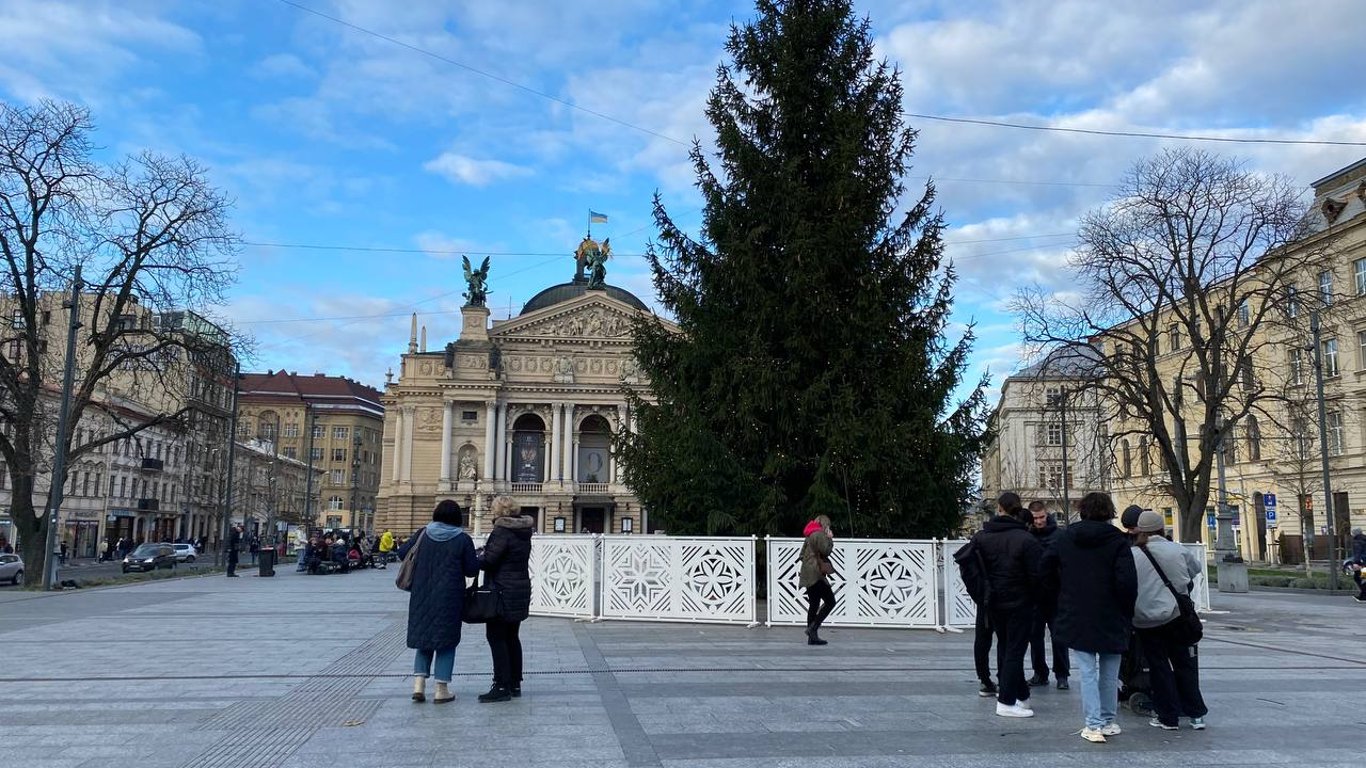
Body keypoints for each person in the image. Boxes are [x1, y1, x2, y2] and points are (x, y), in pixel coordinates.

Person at [1043, 492, 1138, 743]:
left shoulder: (1065, 538)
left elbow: (1045, 568)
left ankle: (1092, 725)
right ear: (1109, 512)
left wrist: (1060, 594)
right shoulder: (1119, 541)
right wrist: (1126, 609)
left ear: (1082, 509)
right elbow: (1127, 581)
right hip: (1111, 611)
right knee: (1109, 671)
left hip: (1077, 610)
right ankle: (1107, 720)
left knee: (1087, 671)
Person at [1132, 510, 1208, 731]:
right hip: (1177, 615)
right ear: (1161, 529)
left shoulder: (1134, 555)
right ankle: (1196, 715)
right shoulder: (1178, 550)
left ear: (1139, 530)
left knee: (1159, 667)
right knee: (1185, 664)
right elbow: (1195, 570)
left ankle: (1168, 716)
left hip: (1147, 619)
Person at [398, 499, 479, 704]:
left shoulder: (422, 533)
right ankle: (441, 689)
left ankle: (418, 684)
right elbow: (471, 569)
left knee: (424, 637)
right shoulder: (462, 539)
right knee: (446, 641)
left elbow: (402, 553)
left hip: (422, 594)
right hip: (450, 597)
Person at [972, 491, 1043, 718]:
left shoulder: (983, 537)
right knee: (1014, 650)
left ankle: (1021, 696)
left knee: (1005, 645)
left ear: (999, 508)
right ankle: (1006, 701)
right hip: (1020, 602)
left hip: (992, 601)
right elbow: (1037, 576)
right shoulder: (1026, 539)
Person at [478, 496, 534, 703]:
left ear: (499, 511)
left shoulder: (502, 530)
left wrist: (477, 558)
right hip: (519, 588)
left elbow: (491, 560)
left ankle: (501, 684)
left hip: (501, 590)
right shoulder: (523, 532)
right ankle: (514, 682)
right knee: (512, 636)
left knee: (496, 637)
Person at [1026, 500, 1069, 690]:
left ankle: (1062, 674)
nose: (1039, 521)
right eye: (1035, 518)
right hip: (1034, 594)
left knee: (1059, 636)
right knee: (1035, 637)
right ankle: (1039, 672)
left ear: (1047, 515)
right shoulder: (1027, 535)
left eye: (1042, 517)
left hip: (1055, 593)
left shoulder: (1059, 536)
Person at [798, 515, 836, 646]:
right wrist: (830, 539)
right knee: (830, 601)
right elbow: (826, 550)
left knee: (814, 604)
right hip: (816, 574)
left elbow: (802, 555)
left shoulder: (809, 534)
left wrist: (810, 560)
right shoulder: (819, 534)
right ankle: (813, 629)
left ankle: (812, 637)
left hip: (807, 573)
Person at [1351, 529, 1366, 603]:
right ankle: (1363, 595)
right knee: (1363, 578)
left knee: (1359, 578)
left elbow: (1357, 553)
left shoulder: (1357, 541)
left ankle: (1364, 596)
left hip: (1362, 563)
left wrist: (1356, 562)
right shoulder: (1364, 539)